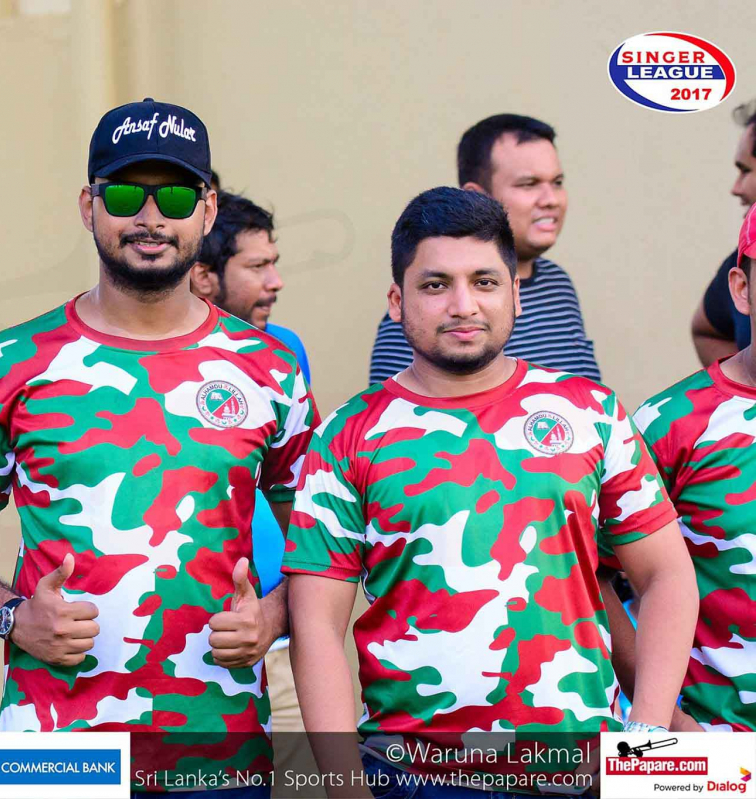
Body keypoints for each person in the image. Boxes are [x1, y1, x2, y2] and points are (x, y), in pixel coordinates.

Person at [0, 98, 318, 797]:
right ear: (89, 206)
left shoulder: (270, 369)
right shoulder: (9, 364)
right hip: (54, 759)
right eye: (123, 195)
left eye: (174, 196)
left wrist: (273, 613)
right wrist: (14, 617)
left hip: (220, 757)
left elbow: (322, 547)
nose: (149, 216)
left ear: (206, 209)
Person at [285, 187, 697, 798]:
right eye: (435, 285)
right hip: (416, 778)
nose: (463, 305)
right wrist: (345, 789)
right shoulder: (348, 436)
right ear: (397, 301)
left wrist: (646, 739)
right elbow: (316, 624)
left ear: (515, 294)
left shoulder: (592, 414)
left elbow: (666, 576)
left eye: (484, 281)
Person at [189, 189, 315, 784]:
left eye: (275, 263)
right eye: (258, 266)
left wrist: (278, 612)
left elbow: (307, 504)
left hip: (276, 643)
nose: (275, 282)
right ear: (205, 276)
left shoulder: (283, 355)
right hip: (160, 659)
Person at [633, 203, 756, 732]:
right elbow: (591, 580)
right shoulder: (669, 424)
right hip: (715, 748)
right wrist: (671, 723)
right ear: (741, 290)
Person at [369, 114, 600, 384]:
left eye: (557, 183)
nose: (551, 200)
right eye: (529, 184)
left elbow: (588, 395)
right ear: (477, 195)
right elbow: (395, 405)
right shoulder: (423, 315)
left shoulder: (558, 284)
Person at [690, 101, 756, 365]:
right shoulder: (743, 263)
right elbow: (707, 332)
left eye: (746, 170)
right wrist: (739, 386)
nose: (736, 188)